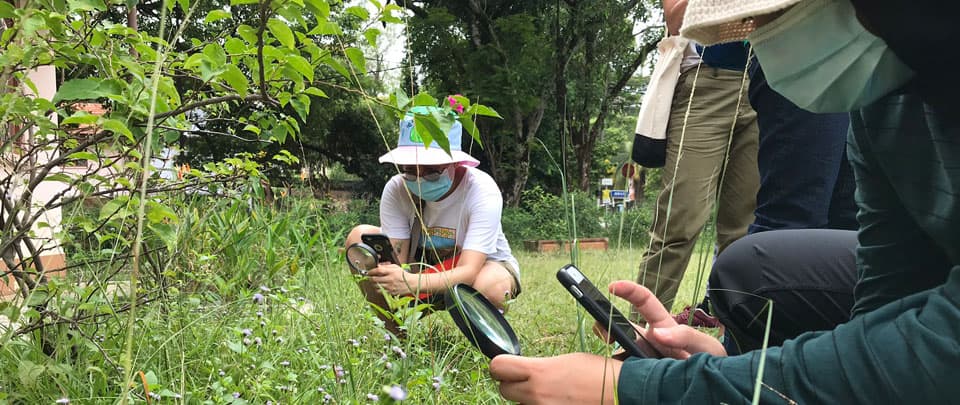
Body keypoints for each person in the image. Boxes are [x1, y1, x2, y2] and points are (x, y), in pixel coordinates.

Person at [489, 0, 960, 402]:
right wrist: (734, 365)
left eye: (772, 17)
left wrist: (644, 389)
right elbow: (885, 302)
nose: (756, 43)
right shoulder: (881, 102)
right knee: (755, 268)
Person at [345, 107, 521, 336]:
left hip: (479, 270)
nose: (419, 179)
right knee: (358, 239)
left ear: (455, 163)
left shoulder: (481, 190)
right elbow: (398, 257)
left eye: (431, 171)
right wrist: (391, 271)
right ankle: (396, 334)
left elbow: (469, 270)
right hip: (420, 271)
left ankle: (488, 343)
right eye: (409, 170)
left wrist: (411, 282)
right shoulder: (397, 188)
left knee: (490, 288)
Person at [634, 0, 759, 317]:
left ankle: (732, 334)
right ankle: (638, 334)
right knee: (681, 217)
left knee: (744, 229)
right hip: (705, 83)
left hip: (767, 79)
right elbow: (676, 19)